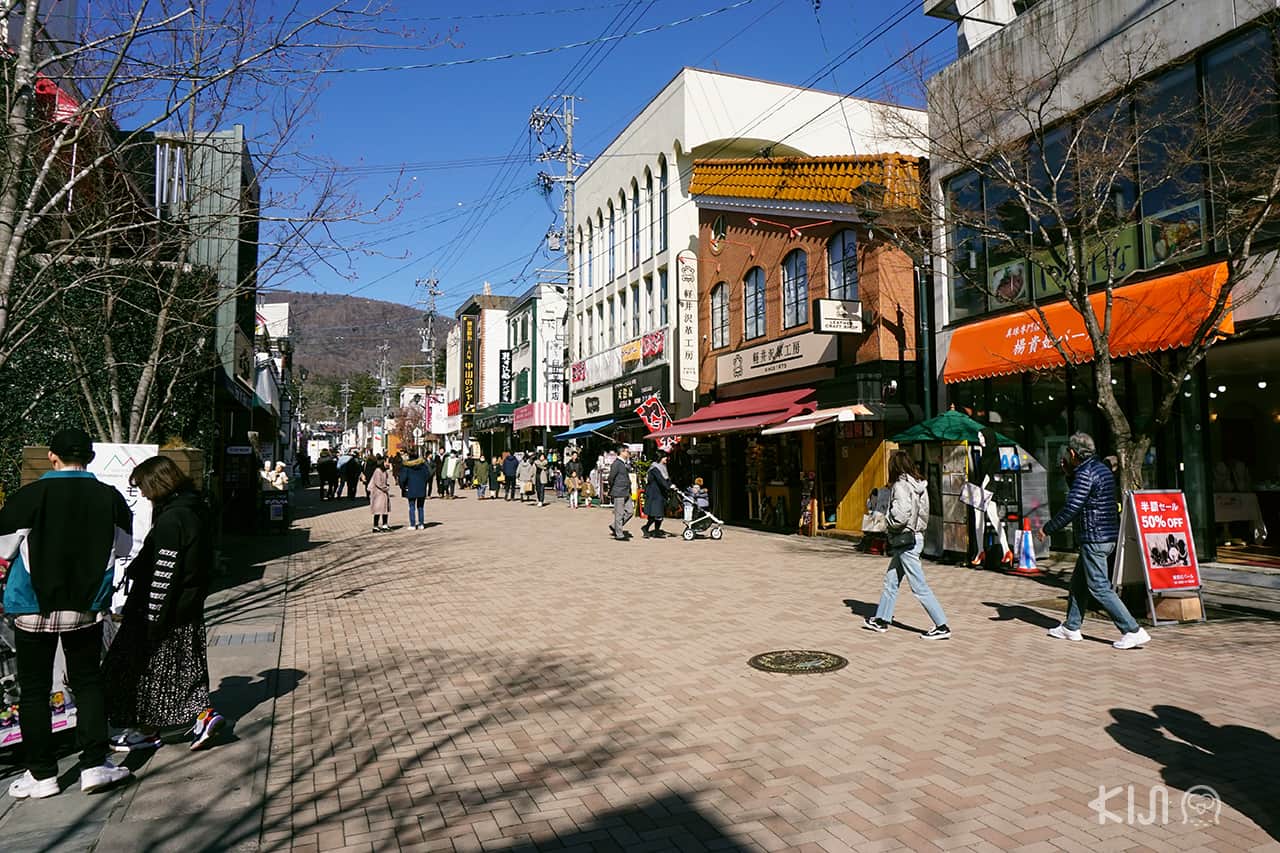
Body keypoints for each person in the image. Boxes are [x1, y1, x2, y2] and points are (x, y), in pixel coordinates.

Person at [0, 428, 134, 798]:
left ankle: (42, 775)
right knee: (88, 682)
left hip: (32, 605)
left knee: (34, 691)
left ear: (52, 457)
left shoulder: (28, 497)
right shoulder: (110, 498)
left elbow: (4, 549)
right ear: (89, 458)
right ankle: (94, 765)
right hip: (86, 605)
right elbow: (122, 548)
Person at [102, 456, 225, 754]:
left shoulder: (173, 518)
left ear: (157, 483)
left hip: (161, 611)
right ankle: (189, 718)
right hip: (186, 608)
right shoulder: (194, 508)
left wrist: (153, 617)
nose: (142, 493)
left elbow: (164, 574)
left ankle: (158, 727)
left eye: (143, 486)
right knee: (178, 671)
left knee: (135, 670)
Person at [1039, 432, 1151, 650]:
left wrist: (1048, 528)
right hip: (1106, 535)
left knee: (1099, 586)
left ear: (1072, 453)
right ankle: (1071, 626)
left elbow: (1073, 506)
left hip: (1094, 537)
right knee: (1079, 583)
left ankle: (1132, 630)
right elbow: (1085, 496)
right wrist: (1068, 474)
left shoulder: (1085, 473)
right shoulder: (1100, 469)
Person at [863, 450, 951, 640]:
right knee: (891, 580)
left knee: (919, 586)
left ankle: (941, 625)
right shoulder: (919, 484)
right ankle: (881, 619)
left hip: (905, 540)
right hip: (915, 537)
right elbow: (924, 513)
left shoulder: (901, 486)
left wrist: (888, 521)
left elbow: (901, 515)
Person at [967, 427, 1011, 567]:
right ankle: (1004, 550)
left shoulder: (992, 456)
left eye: (982, 437)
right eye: (979, 437)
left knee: (984, 518)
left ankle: (982, 551)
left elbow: (993, 476)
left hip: (987, 491)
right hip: (984, 491)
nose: (980, 440)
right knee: (990, 519)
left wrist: (985, 490)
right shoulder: (986, 454)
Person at [641, 451, 674, 539]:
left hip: (660, 493)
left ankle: (656, 530)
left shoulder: (663, 467)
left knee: (659, 513)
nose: (666, 459)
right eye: (664, 457)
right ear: (660, 458)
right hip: (654, 494)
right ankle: (647, 528)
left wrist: (671, 485)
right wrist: (668, 487)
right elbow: (660, 480)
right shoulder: (655, 468)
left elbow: (666, 479)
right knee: (656, 513)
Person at [606, 445, 634, 541]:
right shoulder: (616, 463)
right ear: (622, 452)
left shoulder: (624, 463)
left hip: (626, 491)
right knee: (619, 513)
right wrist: (613, 488)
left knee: (630, 511)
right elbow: (611, 477)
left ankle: (615, 526)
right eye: (627, 451)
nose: (628, 453)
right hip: (619, 491)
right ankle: (619, 534)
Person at [398, 450, 430, 530]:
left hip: (411, 488)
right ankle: (421, 523)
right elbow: (428, 475)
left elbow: (402, 478)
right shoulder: (423, 465)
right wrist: (424, 483)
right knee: (421, 507)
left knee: (412, 507)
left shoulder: (406, 466)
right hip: (421, 488)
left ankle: (413, 524)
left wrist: (403, 487)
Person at [369, 455, 391, 531]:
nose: (388, 463)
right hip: (378, 493)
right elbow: (378, 483)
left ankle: (385, 524)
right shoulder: (378, 471)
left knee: (384, 509)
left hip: (383, 493)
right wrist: (385, 488)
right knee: (378, 510)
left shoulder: (384, 471)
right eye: (386, 461)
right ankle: (375, 526)